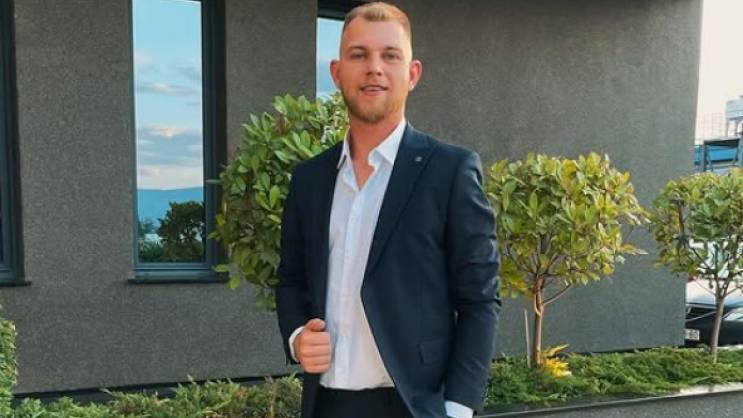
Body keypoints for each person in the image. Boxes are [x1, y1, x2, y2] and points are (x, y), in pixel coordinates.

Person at [275, 3, 500, 418]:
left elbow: (479, 300)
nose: (374, 68)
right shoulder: (309, 179)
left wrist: (458, 409)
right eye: (359, 55)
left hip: (413, 405)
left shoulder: (450, 171)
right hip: (326, 405)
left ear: (412, 74)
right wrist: (296, 336)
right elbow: (290, 279)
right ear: (337, 72)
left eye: (389, 55)